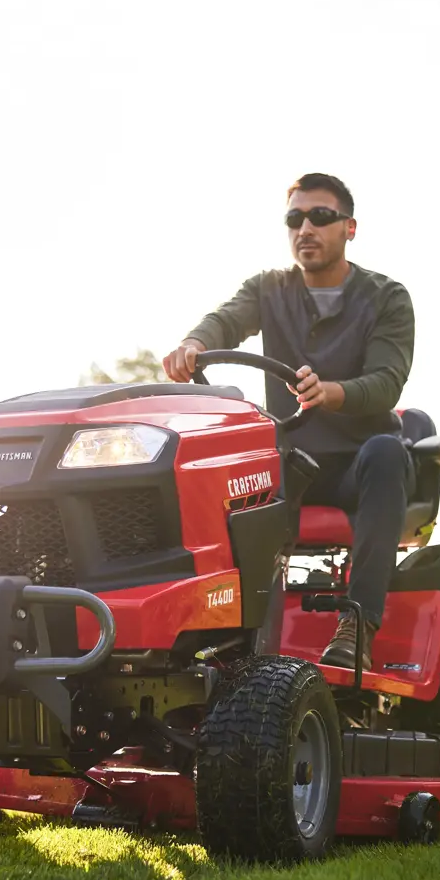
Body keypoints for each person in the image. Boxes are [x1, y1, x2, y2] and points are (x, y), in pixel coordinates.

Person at [163, 173, 414, 670]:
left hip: (359, 466)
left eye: (320, 217)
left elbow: (387, 382)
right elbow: (226, 320)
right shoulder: (268, 289)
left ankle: (358, 628)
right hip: (289, 465)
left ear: (349, 228)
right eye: (295, 218)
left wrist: (330, 393)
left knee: (386, 452)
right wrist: (194, 343)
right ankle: (219, 635)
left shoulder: (387, 297)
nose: (306, 228)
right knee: (209, 469)